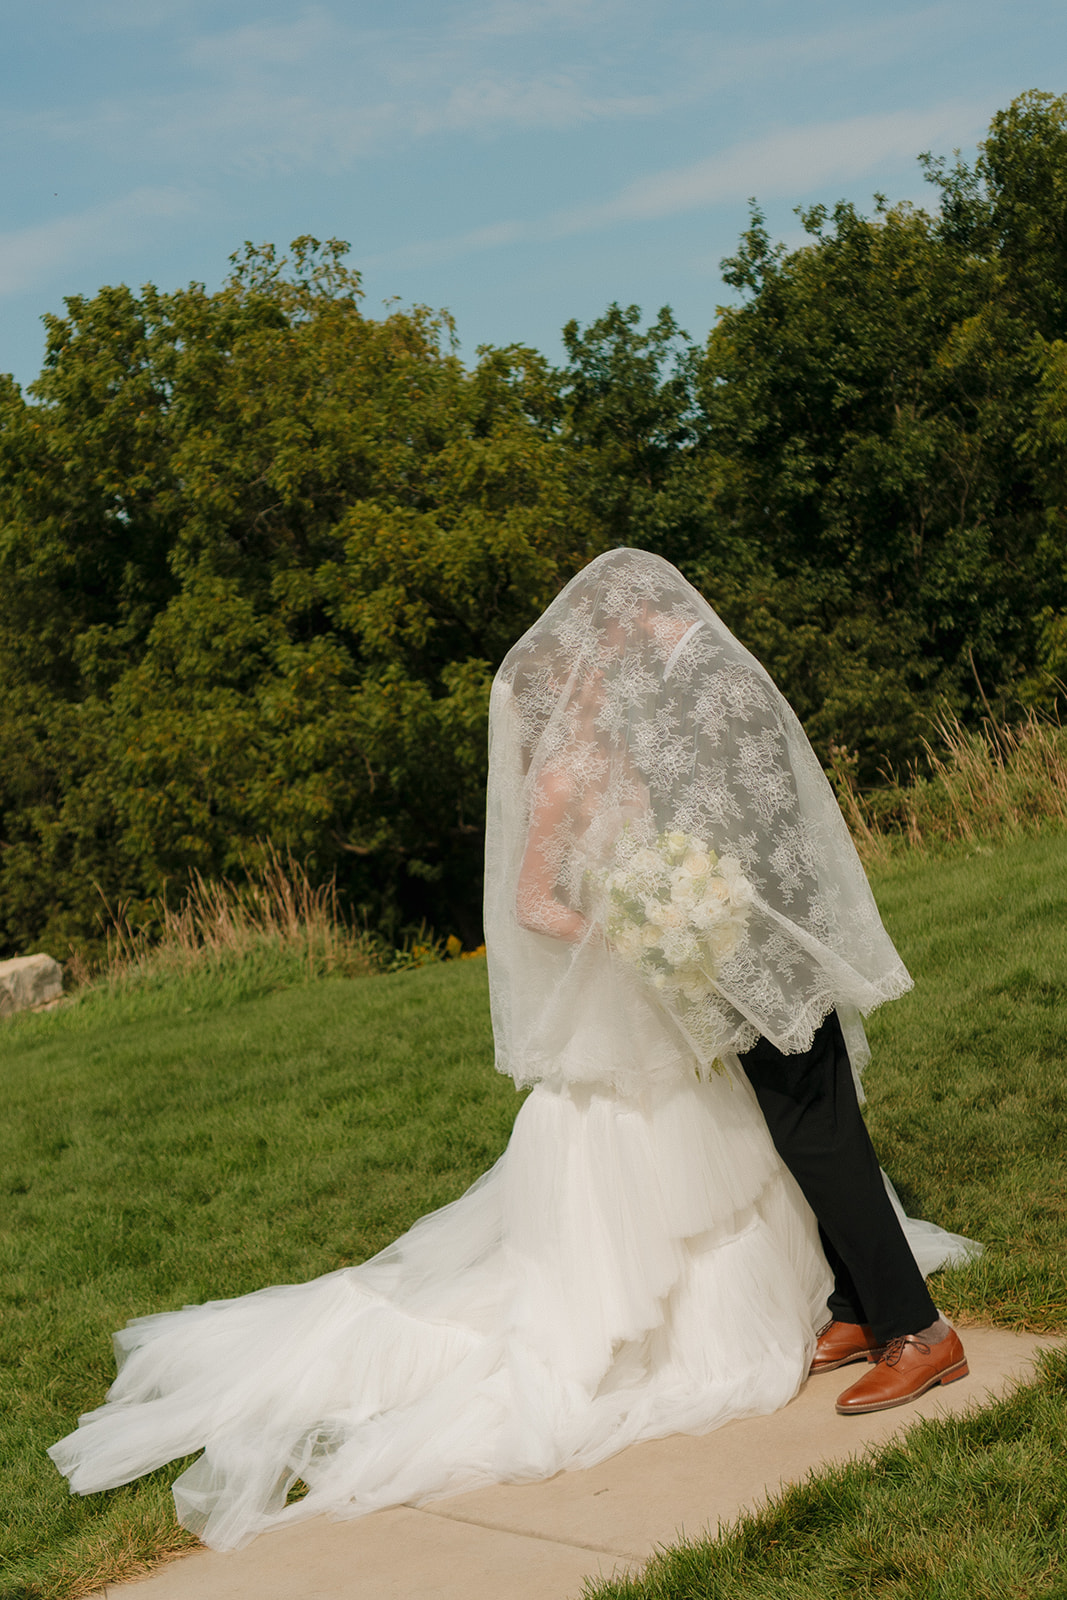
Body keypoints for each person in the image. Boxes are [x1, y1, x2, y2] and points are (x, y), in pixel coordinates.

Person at [49, 548, 976, 1550]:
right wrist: (666, 917)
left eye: (606, 633)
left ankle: (916, 1331)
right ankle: (854, 1299)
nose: (603, 655)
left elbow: (753, 824)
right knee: (799, 1134)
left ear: (632, 615)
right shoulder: (664, 691)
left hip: (755, 951)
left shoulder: (708, 676)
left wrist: (694, 916)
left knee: (816, 1129)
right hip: (718, 951)